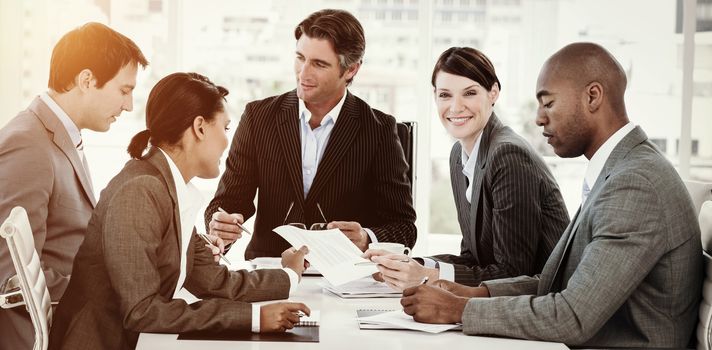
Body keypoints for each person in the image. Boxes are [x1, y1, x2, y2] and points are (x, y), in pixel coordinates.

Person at [399, 42, 702, 348]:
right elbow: (559, 284)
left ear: (592, 97)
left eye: (549, 103)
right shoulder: (620, 169)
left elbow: (572, 317)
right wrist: (472, 293)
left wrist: (458, 310)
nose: (539, 118)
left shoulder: (635, 184)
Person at [48, 73, 311, 350]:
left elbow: (216, 281)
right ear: (199, 127)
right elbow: (143, 311)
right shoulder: (141, 190)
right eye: (225, 128)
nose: (226, 142)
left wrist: (288, 275)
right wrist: (255, 318)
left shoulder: (167, 188)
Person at [204, 9, 417, 259]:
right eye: (300, 58)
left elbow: (404, 228)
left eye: (319, 64)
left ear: (351, 70)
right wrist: (220, 224)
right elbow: (229, 201)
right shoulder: (258, 117)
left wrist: (366, 238)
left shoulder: (379, 130)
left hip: (344, 278)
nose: (303, 73)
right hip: (271, 271)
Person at [364, 47, 569, 290]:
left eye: (469, 93)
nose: (455, 107)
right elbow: (473, 258)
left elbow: (513, 272)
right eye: (445, 95)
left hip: (539, 302)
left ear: (493, 93)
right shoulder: (459, 156)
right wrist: (410, 264)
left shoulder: (508, 155)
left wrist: (427, 276)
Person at [0, 22, 147, 349]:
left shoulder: (58, 137)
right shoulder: (28, 146)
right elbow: (10, 279)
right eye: (124, 90)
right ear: (86, 80)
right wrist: (114, 291)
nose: (129, 106)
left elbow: (68, 240)